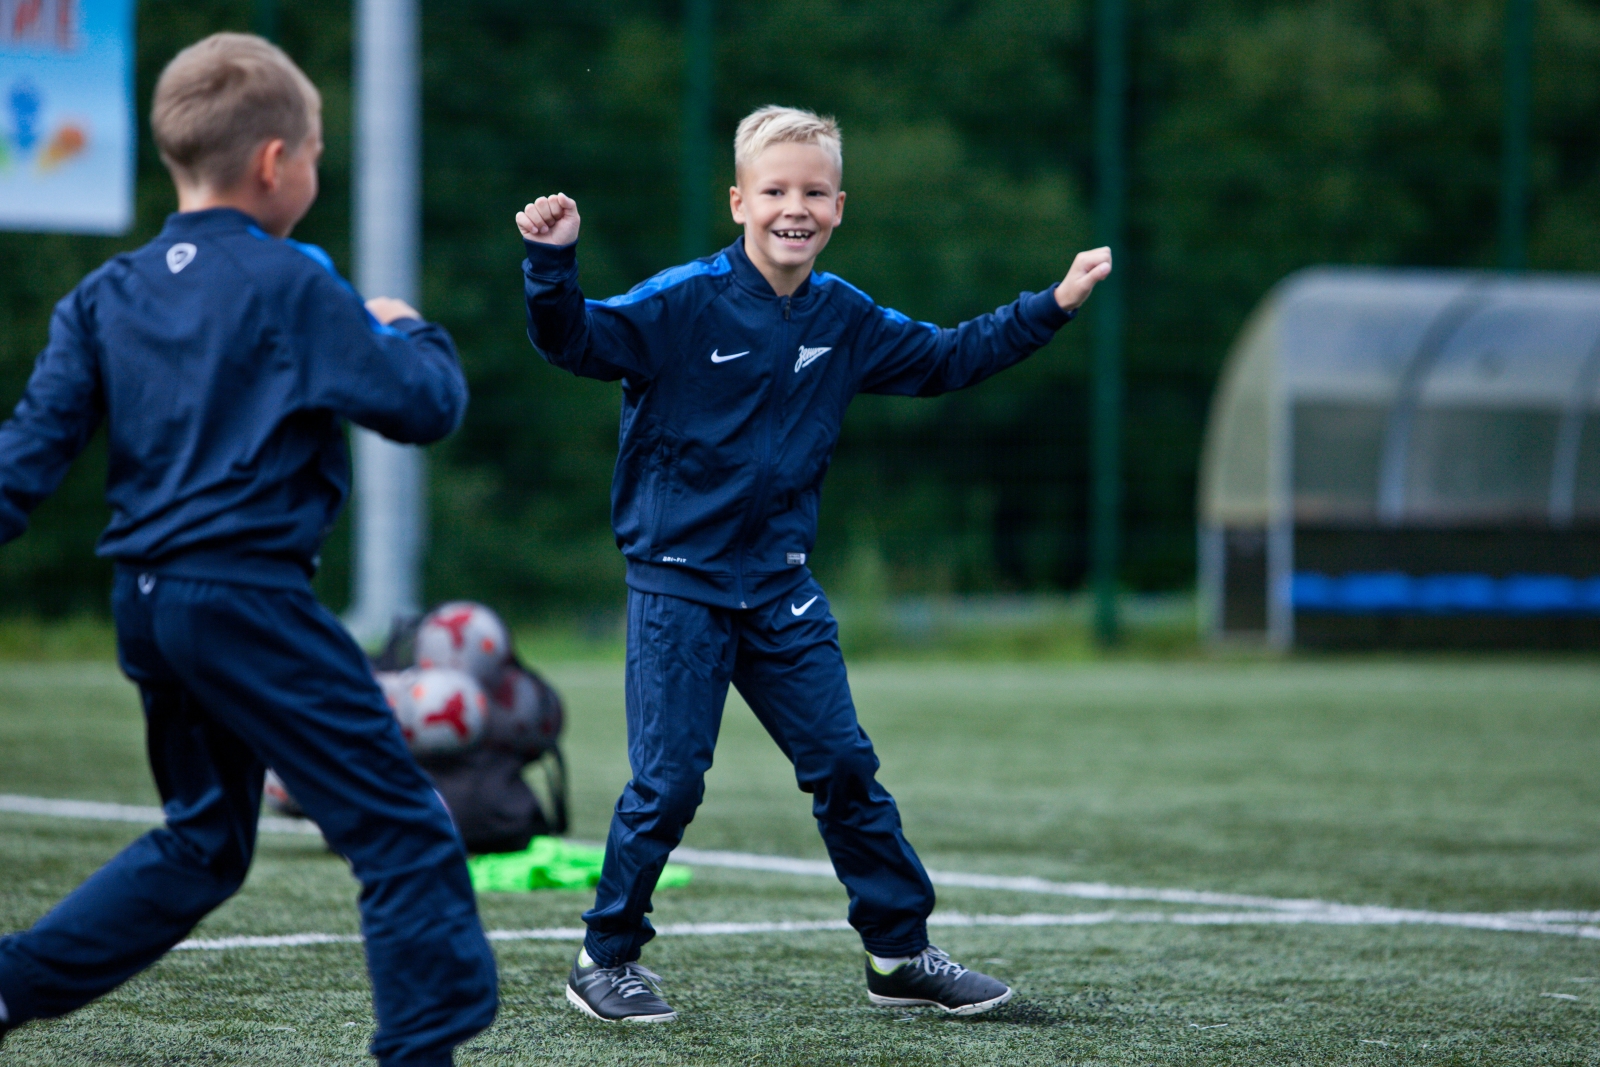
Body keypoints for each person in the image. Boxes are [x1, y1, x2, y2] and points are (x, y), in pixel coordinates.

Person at [517, 104, 1111, 1023]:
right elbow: (573, 341)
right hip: (679, 580)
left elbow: (950, 358)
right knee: (668, 781)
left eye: (813, 191)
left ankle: (899, 951)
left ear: (839, 207)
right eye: (775, 190)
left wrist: (1054, 303)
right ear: (739, 203)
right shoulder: (683, 302)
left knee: (842, 762)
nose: (794, 206)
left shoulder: (846, 317)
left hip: (780, 583)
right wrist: (551, 265)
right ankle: (604, 956)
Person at [0, 34, 497, 1065]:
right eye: (315, 151)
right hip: (246, 603)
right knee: (401, 827)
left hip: (146, 602)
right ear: (277, 161)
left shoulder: (101, 295)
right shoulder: (292, 283)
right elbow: (420, 406)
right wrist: (410, 329)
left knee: (204, 840)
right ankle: (424, 1052)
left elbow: (21, 466)